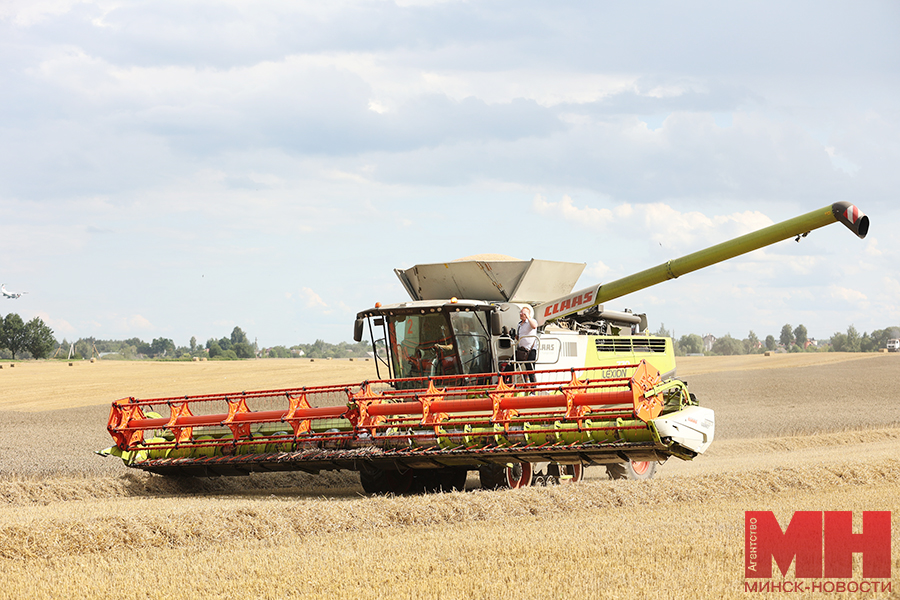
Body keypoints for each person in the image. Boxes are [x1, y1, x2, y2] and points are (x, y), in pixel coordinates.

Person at [516, 305, 538, 383]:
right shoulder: (519, 324)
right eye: (521, 312)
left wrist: (528, 317)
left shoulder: (531, 321)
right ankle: (503, 383)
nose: (521, 314)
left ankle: (533, 390)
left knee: (530, 370)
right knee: (510, 365)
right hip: (521, 350)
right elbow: (519, 337)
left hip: (530, 349)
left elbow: (534, 326)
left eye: (523, 312)